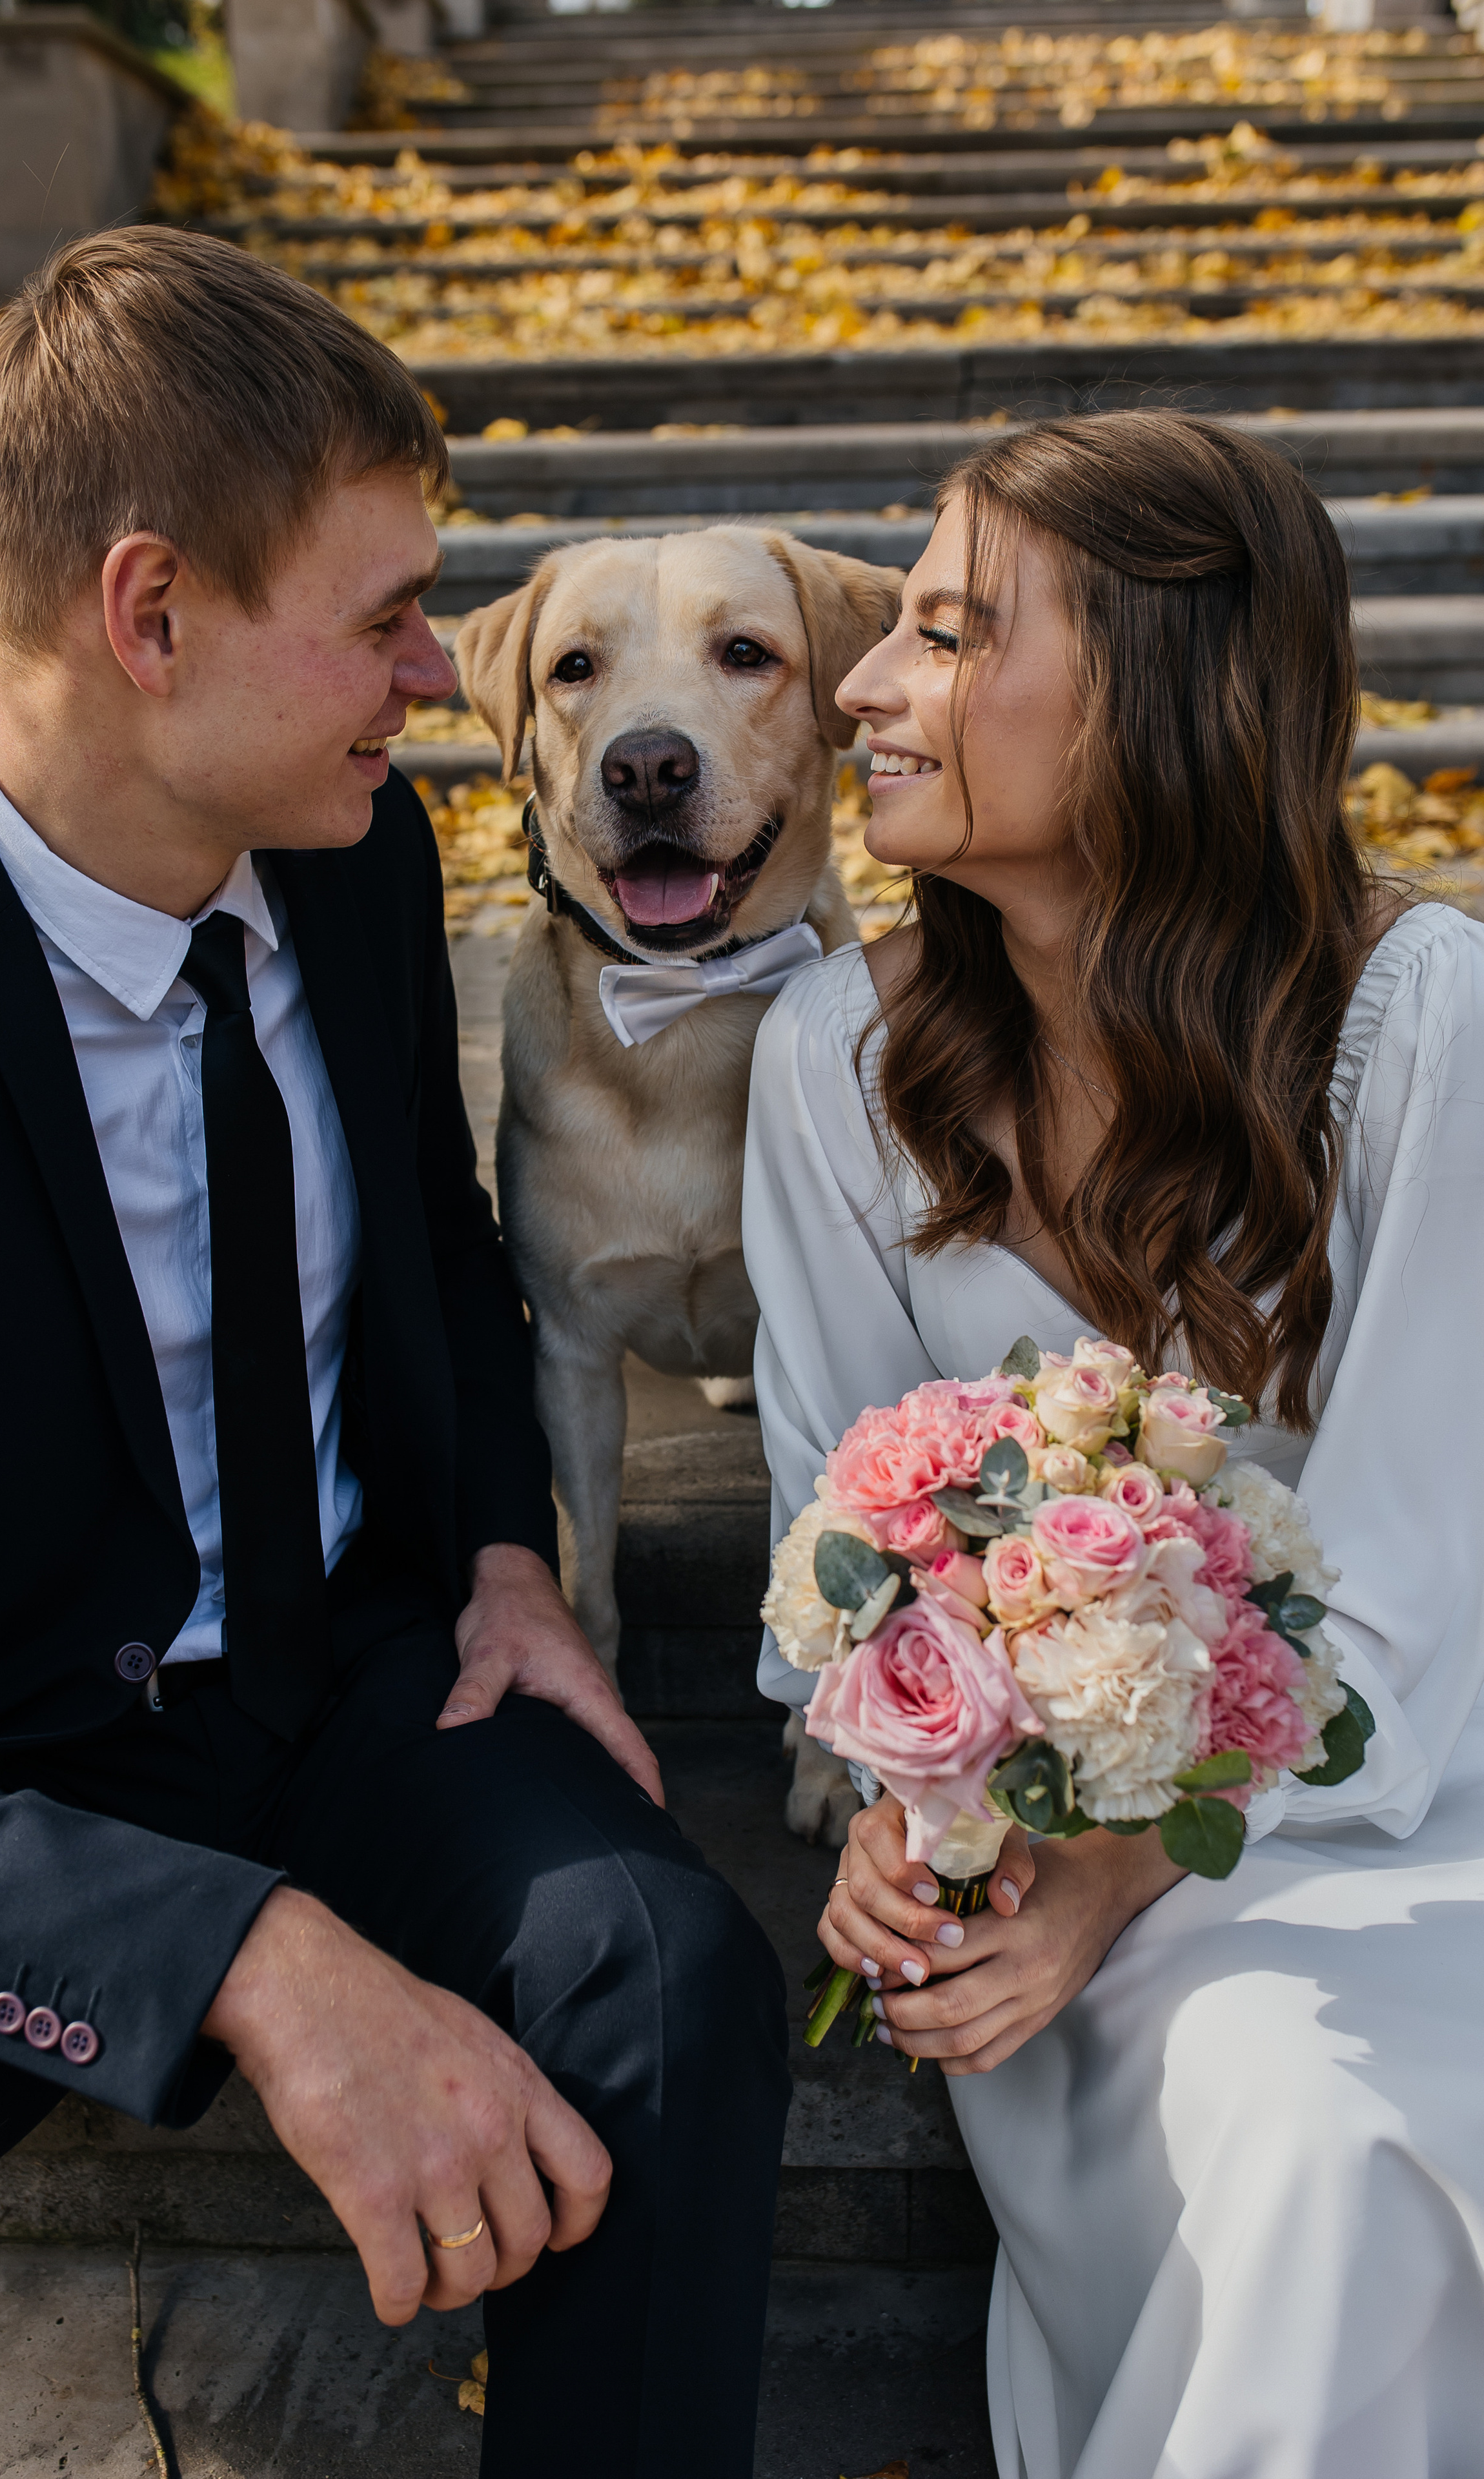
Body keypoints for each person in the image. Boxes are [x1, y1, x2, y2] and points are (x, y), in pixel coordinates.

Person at [0, 227, 789, 2479]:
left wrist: (500, 1550)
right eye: (382, 619)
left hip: (364, 1673)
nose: (441, 676)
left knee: (668, 1984)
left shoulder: (354, 861)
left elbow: (445, 1258)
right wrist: (251, 1959)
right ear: (150, 618)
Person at [742, 409, 1484, 2478]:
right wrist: (915, 1812)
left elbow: (1421, 1576)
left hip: (1418, 1823)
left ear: (1167, 695)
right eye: (888, 629)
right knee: (1275, 2109)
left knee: (1332, 2127)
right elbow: (835, 1546)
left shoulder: (1426, 1026)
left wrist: (1109, 1871)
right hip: (1050, 1891)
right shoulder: (835, 1063)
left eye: (952, 634)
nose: (865, 688)